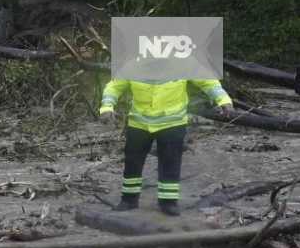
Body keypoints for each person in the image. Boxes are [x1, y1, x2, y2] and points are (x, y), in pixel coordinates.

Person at [99, 76, 233, 216]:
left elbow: (207, 81)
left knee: (170, 162)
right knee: (132, 162)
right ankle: (129, 199)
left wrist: (223, 100)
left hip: (172, 122)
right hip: (139, 122)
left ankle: (168, 202)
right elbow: (114, 85)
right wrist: (107, 106)